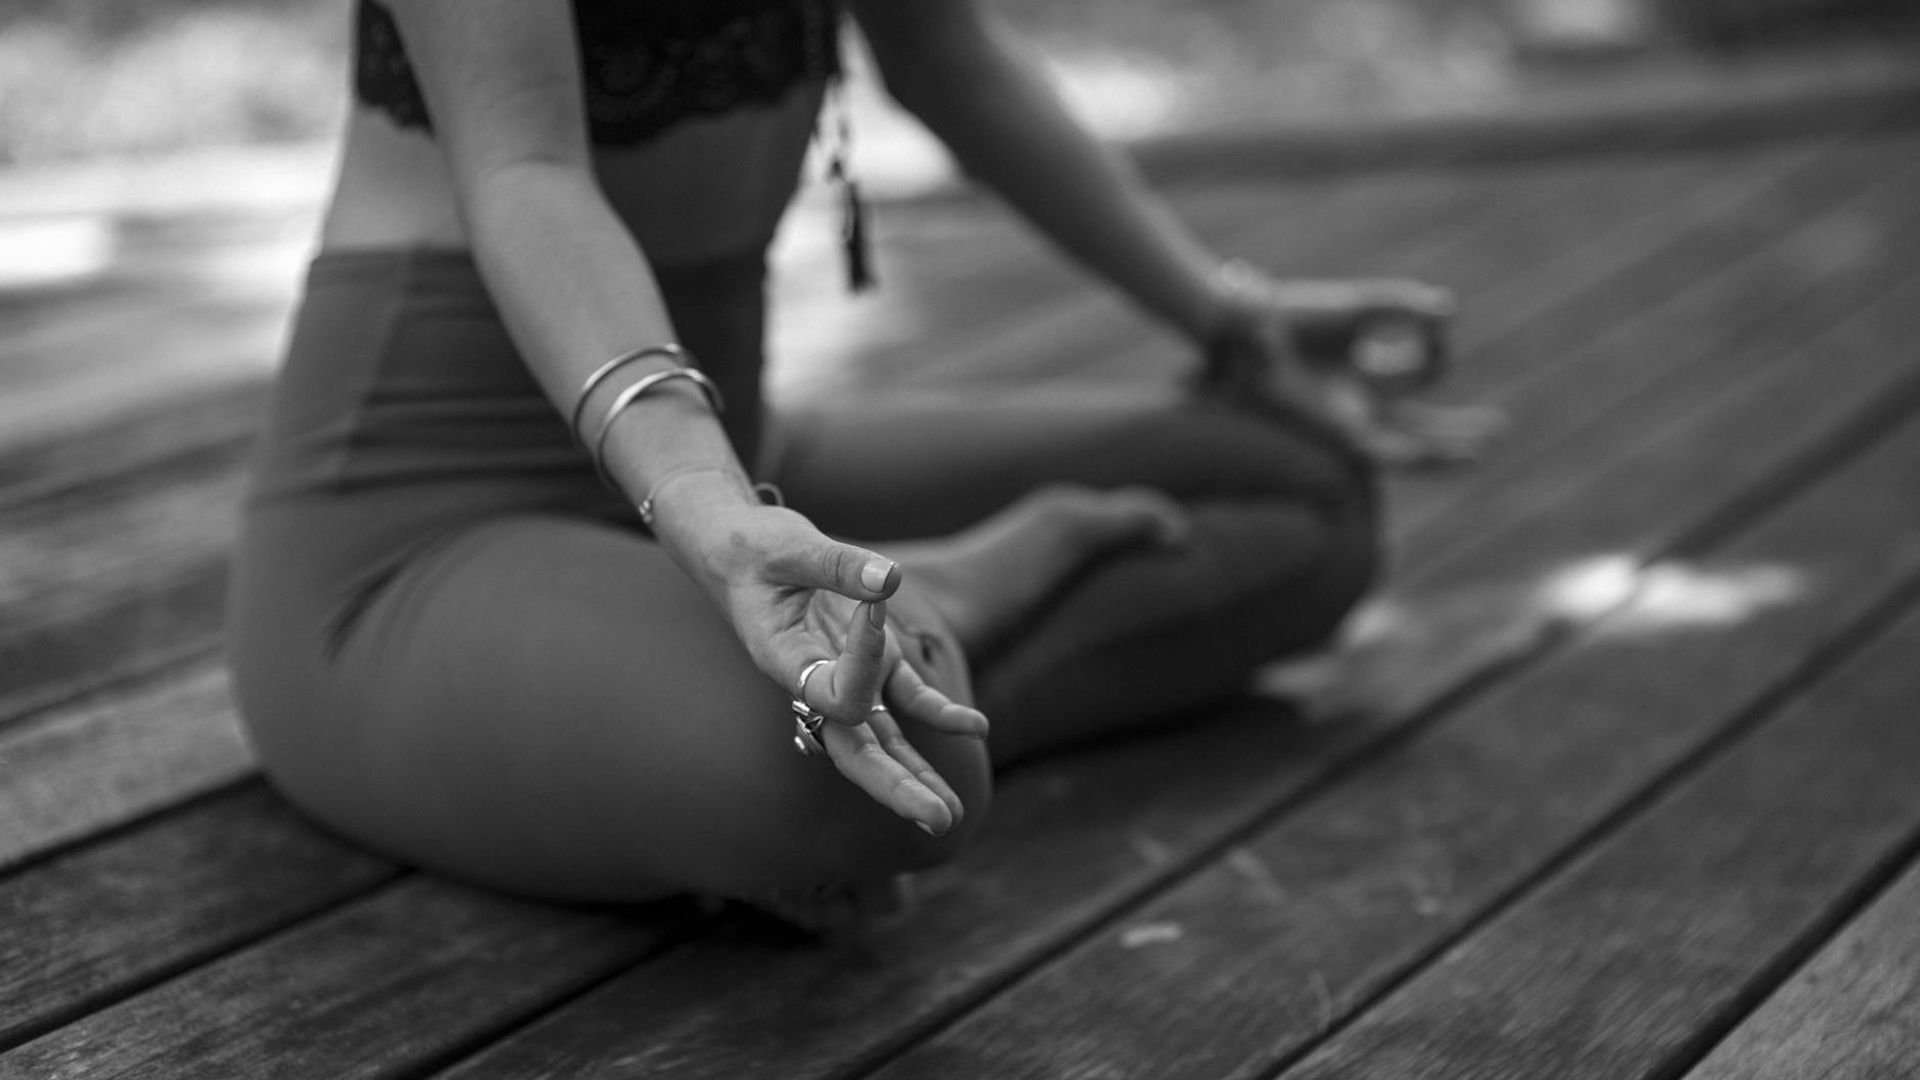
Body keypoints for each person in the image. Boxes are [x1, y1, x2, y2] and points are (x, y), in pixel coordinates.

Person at [227, 0, 1494, 927]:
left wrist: (1229, 321)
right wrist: (714, 511)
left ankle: (894, 642)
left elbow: (949, 55)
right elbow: (524, 172)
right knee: (876, 789)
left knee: (1302, 487)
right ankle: (937, 621)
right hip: (424, 530)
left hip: (739, 448)